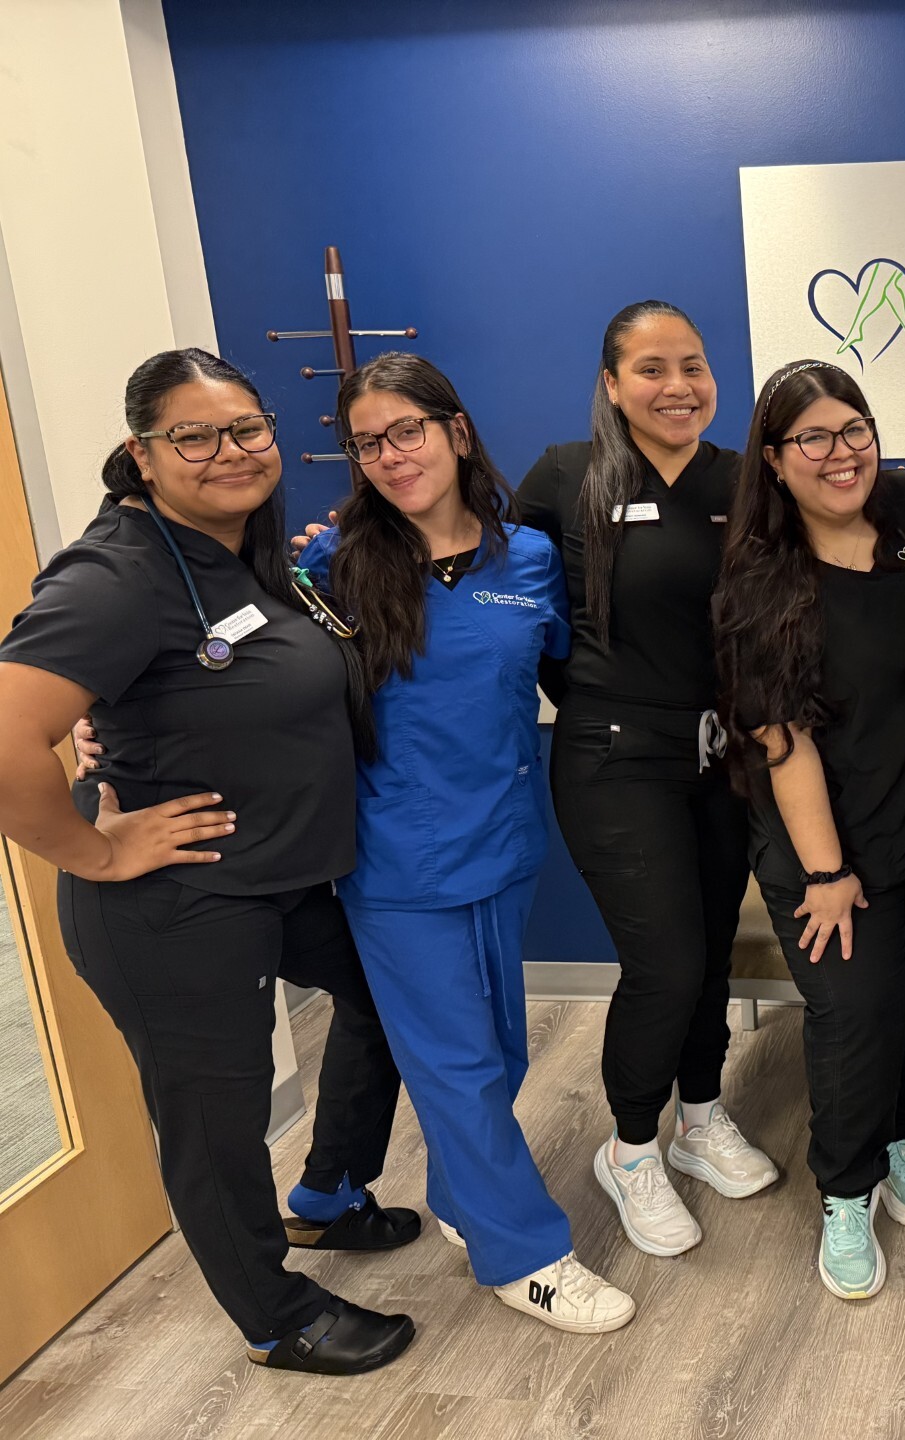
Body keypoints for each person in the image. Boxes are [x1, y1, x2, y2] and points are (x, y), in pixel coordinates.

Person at [0, 349, 417, 1373]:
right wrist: (94, 851)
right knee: (215, 1121)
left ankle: (328, 1190)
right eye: (193, 435)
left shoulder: (238, 549)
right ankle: (275, 1317)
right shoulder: (119, 573)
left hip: (279, 882)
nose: (229, 451)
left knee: (392, 1000)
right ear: (143, 454)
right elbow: (8, 735)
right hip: (176, 906)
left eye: (246, 428)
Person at [300, 352, 633, 1333]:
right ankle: (523, 1252)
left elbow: (574, 667)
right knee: (458, 1068)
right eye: (368, 442)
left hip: (504, 845)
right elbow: (245, 679)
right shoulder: (333, 566)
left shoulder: (526, 557)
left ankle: (457, 1192)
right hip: (397, 862)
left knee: (499, 1052)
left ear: (456, 430)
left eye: (407, 430)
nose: (391, 455)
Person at [517, 301, 778, 1258]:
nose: (679, 387)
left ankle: (699, 1118)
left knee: (708, 952)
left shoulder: (743, 480)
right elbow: (504, 599)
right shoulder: (565, 477)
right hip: (614, 759)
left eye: (694, 366)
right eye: (653, 369)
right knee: (664, 961)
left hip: (720, 761)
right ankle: (630, 1149)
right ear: (612, 383)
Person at [713, 359, 905, 1302]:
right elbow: (784, 746)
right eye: (812, 438)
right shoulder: (758, 585)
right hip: (822, 844)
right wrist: (826, 874)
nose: (840, 452)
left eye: (853, 428)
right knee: (856, 1015)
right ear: (775, 461)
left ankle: (897, 1136)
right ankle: (846, 1191)